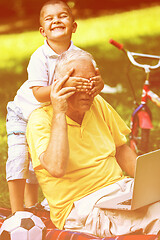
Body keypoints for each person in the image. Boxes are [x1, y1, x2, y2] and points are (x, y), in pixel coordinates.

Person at [26, 48, 160, 236]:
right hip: (81, 206)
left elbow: (121, 149)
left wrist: (151, 185)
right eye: (79, 83)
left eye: (91, 82)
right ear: (59, 86)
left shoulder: (97, 104)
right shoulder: (40, 119)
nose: (88, 90)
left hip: (121, 191)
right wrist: (59, 111)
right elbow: (56, 167)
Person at [6, 0, 104, 214]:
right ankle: (16, 212)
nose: (56, 20)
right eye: (49, 18)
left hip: (48, 114)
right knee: (20, 157)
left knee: (38, 159)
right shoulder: (39, 58)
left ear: (74, 26)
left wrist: (98, 84)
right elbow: (39, 94)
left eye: (62, 16)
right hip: (23, 114)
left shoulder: (80, 56)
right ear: (43, 31)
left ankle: (31, 206)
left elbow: (95, 78)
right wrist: (64, 85)